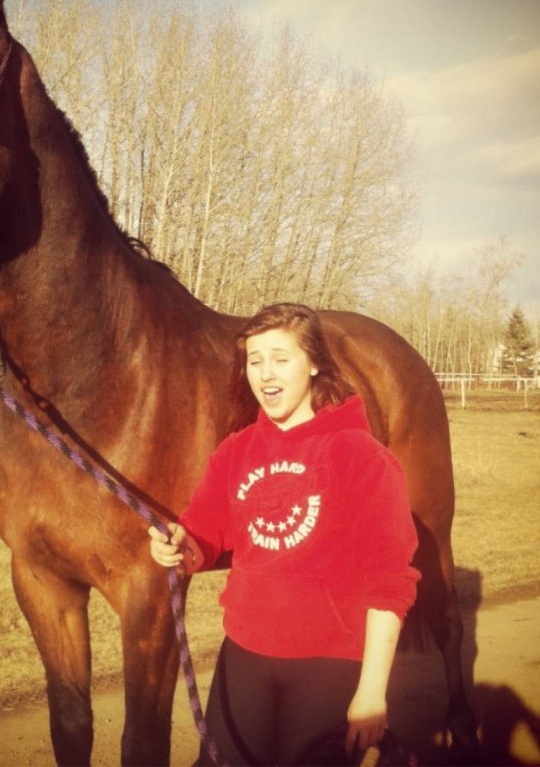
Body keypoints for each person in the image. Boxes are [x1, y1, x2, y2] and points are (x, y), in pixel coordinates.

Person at [148, 302, 420, 766]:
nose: (265, 374)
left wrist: (372, 693)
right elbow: (204, 531)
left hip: (329, 662)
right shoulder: (237, 450)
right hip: (245, 654)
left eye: (281, 358)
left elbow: (389, 581)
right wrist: (177, 545)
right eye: (255, 360)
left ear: (314, 363)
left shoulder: (359, 454)